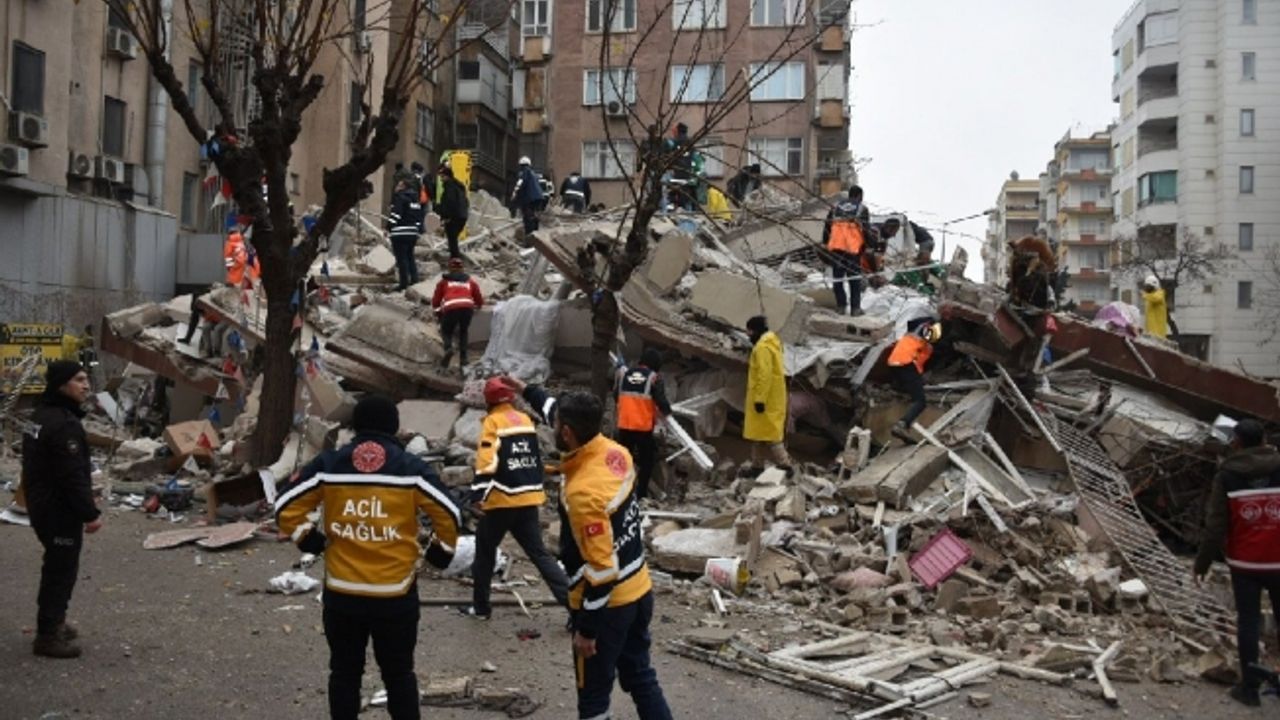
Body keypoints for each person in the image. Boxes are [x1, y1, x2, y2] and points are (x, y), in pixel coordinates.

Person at [275, 395, 462, 720]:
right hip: (395, 594)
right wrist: (439, 553)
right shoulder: (410, 468)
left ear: (356, 426)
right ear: (394, 428)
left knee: (344, 675)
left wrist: (311, 539)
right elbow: (449, 513)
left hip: (342, 594)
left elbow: (285, 506)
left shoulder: (330, 464)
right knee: (399, 675)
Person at [505, 377, 673, 720]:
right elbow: (556, 410)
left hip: (610, 606)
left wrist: (587, 630)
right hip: (640, 590)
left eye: (556, 425)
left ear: (566, 433)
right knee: (641, 676)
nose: (551, 425)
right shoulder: (614, 452)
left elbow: (601, 569)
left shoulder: (583, 494)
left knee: (594, 701)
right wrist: (526, 389)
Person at [459, 378, 570, 619]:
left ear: (488, 400)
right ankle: (575, 607)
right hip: (529, 498)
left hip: (502, 500)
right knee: (540, 554)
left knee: (485, 550)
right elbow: (532, 459)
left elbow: (487, 462)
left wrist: (477, 495)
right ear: (511, 398)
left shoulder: (492, 422)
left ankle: (480, 608)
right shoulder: (525, 421)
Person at [1193, 419, 1280, 708]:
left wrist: (1202, 564)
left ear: (1237, 443)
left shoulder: (1228, 475)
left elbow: (1216, 526)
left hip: (1246, 562)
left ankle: (1250, 688)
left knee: (1249, 621)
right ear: (1264, 439)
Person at [23, 360, 102, 659]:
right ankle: (47, 635)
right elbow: (72, 476)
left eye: (86, 379)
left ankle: (55, 621)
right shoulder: (64, 425)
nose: (86, 385)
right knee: (61, 570)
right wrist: (90, 514)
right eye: (79, 379)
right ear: (61, 384)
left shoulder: (41, 416)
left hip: (42, 505)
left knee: (57, 564)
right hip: (58, 510)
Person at [614, 348, 673, 501]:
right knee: (648, 461)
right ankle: (641, 495)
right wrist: (668, 413)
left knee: (623, 461)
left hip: (624, 425)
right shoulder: (654, 378)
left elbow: (616, 396)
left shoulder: (625, 374)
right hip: (642, 427)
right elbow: (661, 403)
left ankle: (619, 493)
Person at [743, 316, 792, 474]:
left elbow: (764, 375)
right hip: (773, 396)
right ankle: (757, 465)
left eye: (749, 331)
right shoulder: (773, 343)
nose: (748, 334)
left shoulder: (762, 348)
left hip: (765, 399)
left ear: (755, 330)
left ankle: (785, 464)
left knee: (770, 435)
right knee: (759, 434)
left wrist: (759, 399)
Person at [887, 318, 942, 441]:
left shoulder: (913, 332)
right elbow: (919, 364)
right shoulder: (928, 340)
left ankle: (897, 390)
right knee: (920, 401)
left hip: (892, 362)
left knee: (905, 388)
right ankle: (902, 424)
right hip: (907, 363)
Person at [823, 185, 870, 316]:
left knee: (838, 279)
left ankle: (841, 307)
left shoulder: (836, 207)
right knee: (854, 280)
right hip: (852, 248)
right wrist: (867, 247)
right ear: (860, 196)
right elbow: (866, 230)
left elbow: (827, 226)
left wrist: (826, 243)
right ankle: (855, 309)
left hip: (837, 248)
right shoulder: (862, 209)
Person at [431, 257, 484, 370]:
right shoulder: (470, 281)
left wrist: (438, 313)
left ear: (449, 268)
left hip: (451, 308)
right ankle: (463, 359)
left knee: (446, 331)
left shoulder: (444, 282)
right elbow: (479, 300)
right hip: (467, 307)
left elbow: (435, 302)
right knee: (463, 331)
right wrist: (478, 306)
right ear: (462, 269)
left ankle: (448, 348)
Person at [386, 179, 426, 291]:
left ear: (403, 186)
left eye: (398, 184)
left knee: (401, 259)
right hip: (412, 232)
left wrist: (388, 227)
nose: (396, 187)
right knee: (410, 257)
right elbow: (419, 218)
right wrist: (417, 229)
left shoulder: (400, 197)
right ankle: (414, 280)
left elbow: (396, 215)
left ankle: (403, 283)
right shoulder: (415, 200)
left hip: (400, 232)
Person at [436, 165, 469, 259]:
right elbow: (465, 202)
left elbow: (449, 203)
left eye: (442, 177)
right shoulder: (458, 187)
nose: (441, 179)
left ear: (447, 176)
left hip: (454, 217)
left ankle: (455, 263)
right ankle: (456, 261)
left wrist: (445, 217)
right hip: (462, 216)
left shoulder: (449, 187)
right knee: (453, 240)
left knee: (452, 241)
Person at [511, 156, 545, 236]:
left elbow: (520, 183)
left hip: (529, 198)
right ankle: (536, 232)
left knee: (527, 216)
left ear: (521, 165)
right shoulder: (533, 173)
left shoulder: (524, 172)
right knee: (534, 215)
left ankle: (529, 235)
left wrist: (514, 195)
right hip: (538, 197)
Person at [1140, 275, 1169, 340]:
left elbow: (1156, 298)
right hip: (1151, 332)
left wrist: (1145, 295)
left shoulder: (1159, 293)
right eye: (1146, 287)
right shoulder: (1150, 298)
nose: (1147, 288)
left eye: (1148, 286)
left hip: (1158, 333)